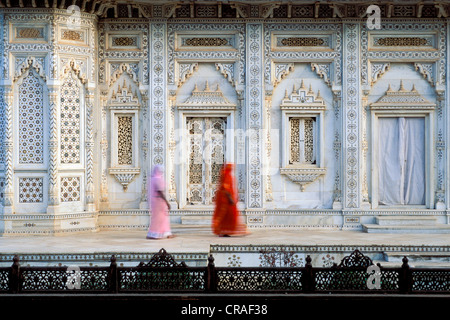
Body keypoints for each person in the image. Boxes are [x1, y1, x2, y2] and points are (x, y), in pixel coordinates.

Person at [212, 163, 249, 237]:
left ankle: (224, 231)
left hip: (225, 200)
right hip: (226, 201)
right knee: (229, 215)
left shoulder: (225, 175)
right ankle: (225, 231)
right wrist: (230, 199)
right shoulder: (227, 175)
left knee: (227, 216)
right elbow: (226, 189)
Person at [146, 165, 175, 239]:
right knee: (161, 218)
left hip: (154, 202)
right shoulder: (157, 179)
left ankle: (163, 233)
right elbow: (160, 191)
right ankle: (158, 234)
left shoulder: (152, 179)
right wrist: (166, 202)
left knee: (157, 218)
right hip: (159, 202)